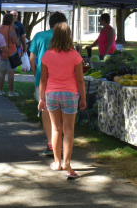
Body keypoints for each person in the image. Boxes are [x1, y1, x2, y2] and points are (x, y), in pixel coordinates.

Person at [38, 22, 86, 178]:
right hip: (71, 95)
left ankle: (57, 163)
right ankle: (67, 162)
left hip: (51, 94)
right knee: (69, 129)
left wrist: (41, 98)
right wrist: (83, 98)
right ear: (69, 37)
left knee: (56, 129)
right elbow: (80, 80)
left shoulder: (47, 55)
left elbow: (43, 80)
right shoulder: (75, 55)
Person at [29, 12, 67, 156]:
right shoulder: (65, 36)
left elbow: (32, 59)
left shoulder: (39, 36)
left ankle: (51, 143)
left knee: (45, 110)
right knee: (62, 111)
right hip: (62, 77)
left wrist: (35, 74)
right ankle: (60, 141)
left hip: (42, 77)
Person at [0, 14, 19, 97]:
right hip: (11, 52)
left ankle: (0, 90)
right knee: (11, 73)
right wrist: (17, 40)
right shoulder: (11, 28)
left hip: (2, 52)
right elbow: (14, 40)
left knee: (2, 72)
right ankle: (11, 91)